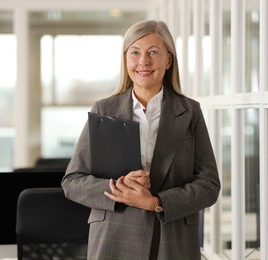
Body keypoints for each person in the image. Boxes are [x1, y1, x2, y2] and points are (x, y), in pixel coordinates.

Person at [61, 20, 221, 260]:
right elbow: (72, 181)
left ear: (168, 60)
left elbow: (209, 186)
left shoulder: (189, 112)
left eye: (153, 52)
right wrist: (119, 189)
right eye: (135, 52)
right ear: (126, 60)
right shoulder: (104, 110)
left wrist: (156, 202)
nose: (143, 61)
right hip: (114, 240)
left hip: (172, 241)